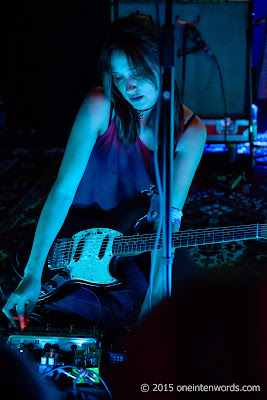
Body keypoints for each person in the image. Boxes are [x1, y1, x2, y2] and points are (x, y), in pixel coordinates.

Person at [2, 12, 207, 330]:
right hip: (78, 235)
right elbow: (63, 190)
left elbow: (166, 221)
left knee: (181, 299)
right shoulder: (101, 104)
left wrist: (154, 299)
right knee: (26, 283)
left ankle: (79, 308)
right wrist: (32, 273)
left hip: (131, 236)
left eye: (137, 71)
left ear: (164, 65)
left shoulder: (191, 130)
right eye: (119, 76)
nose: (130, 86)